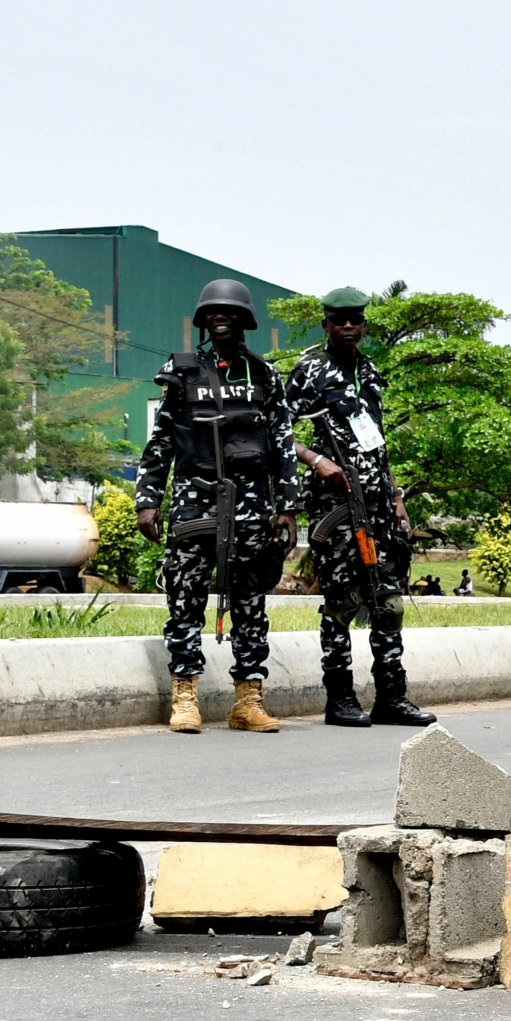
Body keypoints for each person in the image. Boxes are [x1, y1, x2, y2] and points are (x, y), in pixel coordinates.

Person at [135, 279, 300, 734]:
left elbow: (283, 444)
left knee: (250, 604)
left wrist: (288, 507)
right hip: (194, 504)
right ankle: (184, 696)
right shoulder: (183, 371)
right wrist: (148, 500)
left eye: (229, 311)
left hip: (252, 506)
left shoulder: (264, 376)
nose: (220, 317)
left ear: (244, 318)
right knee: (184, 598)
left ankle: (248, 700)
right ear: (203, 320)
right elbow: (162, 439)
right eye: (213, 312)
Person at [287, 287, 435, 728]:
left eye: (355, 319)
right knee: (342, 602)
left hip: (376, 504)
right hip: (334, 505)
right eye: (339, 319)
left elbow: (377, 442)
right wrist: (316, 460)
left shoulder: (368, 369)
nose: (348, 326)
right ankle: (340, 699)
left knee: (388, 603)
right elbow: (277, 431)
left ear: (364, 324)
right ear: (326, 324)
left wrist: (396, 498)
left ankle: (392, 696)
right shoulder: (308, 369)